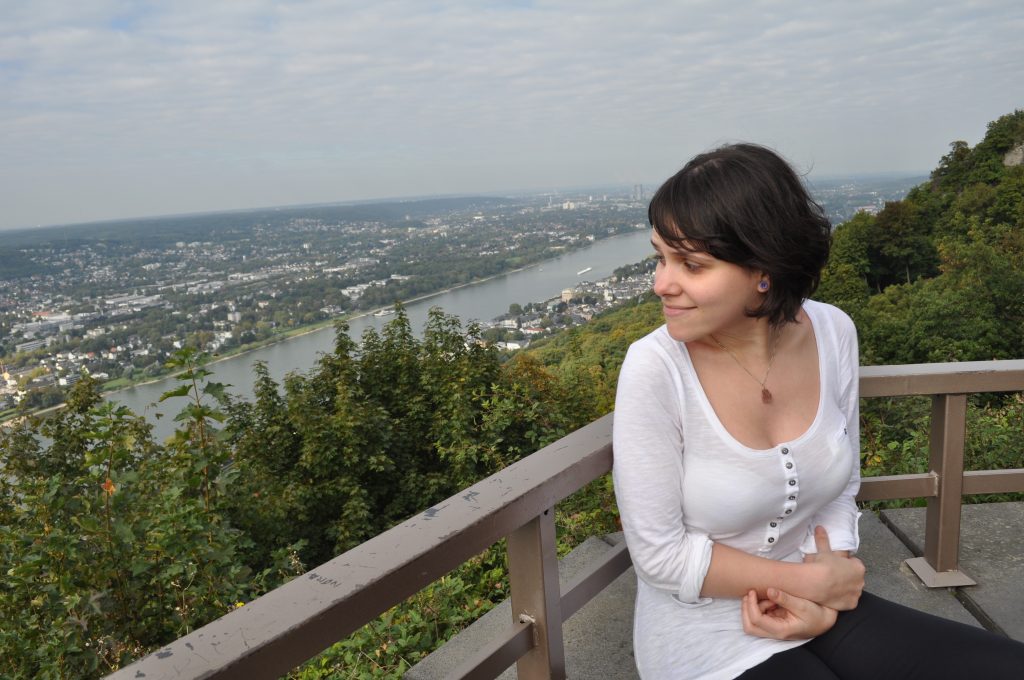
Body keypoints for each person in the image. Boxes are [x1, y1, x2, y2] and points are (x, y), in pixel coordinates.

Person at [611, 143, 1024, 679]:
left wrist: (834, 568)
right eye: (659, 258)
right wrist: (817, 584)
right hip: (701, 631)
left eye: (691, 264)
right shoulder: (655, 366)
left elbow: (842, 479)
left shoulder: (831, 331)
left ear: (763, 269)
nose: (661, 284)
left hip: (819, 601)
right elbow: (659, 557)